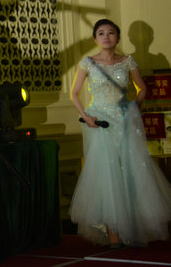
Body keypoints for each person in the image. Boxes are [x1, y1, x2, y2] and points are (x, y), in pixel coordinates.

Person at [69, 18, 171, 247]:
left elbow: (142, 88)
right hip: (100, 122)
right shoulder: (88, 63)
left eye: (111, 32)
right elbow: (74, 93)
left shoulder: (127, 61)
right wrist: (86, 117)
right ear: (95, 39)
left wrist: (134, 109)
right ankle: (113, 232)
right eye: (101, 33)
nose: (106, 37)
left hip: (125, 121)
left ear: (118, 37)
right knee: (107, 174)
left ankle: (132, 229)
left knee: (132, 171)